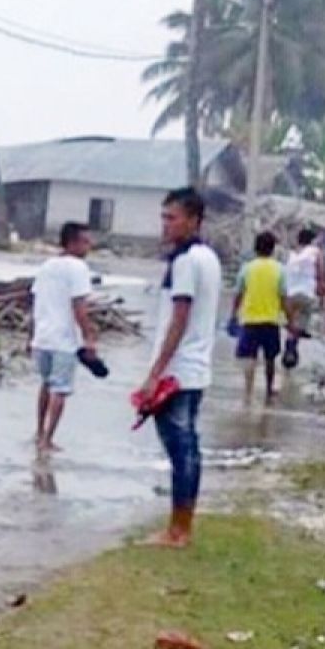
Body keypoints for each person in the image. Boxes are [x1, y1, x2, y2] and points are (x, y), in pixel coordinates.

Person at [138, 187, 221, 548]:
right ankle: (181, 525)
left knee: (180, 449)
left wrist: (155, 372)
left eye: (172, 218)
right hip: (195, 367)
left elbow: (179, 318)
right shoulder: (209, 258)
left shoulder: (186, 261)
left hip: (178, 370)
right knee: (188, 448)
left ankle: (179, 530)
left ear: (193, 219)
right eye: (164, 217)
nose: (166, 225)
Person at [27, 222, 96, 454]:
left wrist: (31, 335)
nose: (89, 245)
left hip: (43, 336)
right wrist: (88, 336)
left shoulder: (46, 266)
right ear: (73, 243)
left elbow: (35, 302)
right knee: (60, 389)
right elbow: (79, 306)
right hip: (63, 339)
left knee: (46, 384)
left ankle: (38, 431)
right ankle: (48, 438)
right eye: (85, 241)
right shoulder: (78, 268)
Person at [231, 231, 293, 404]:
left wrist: (233, 314)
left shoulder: (247, 268)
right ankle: (268, 390)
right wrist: (290, 319)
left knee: (250, 357)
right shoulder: (279, 269)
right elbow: (283, 297)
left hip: (250, 319)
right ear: (273, 249)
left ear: (255, 248)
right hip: (271, 320)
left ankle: (248, 393)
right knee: (270, 358)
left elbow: (238, 294)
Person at [283, 227, 325, 365]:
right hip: (306, 293)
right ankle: (292, 348)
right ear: (312, 241)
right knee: (300, 323)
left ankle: (290, 348)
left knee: (291, 323)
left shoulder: (290, 253)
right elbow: (321, 272)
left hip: (289, 294)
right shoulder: (315, 252)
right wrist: (321, 289)